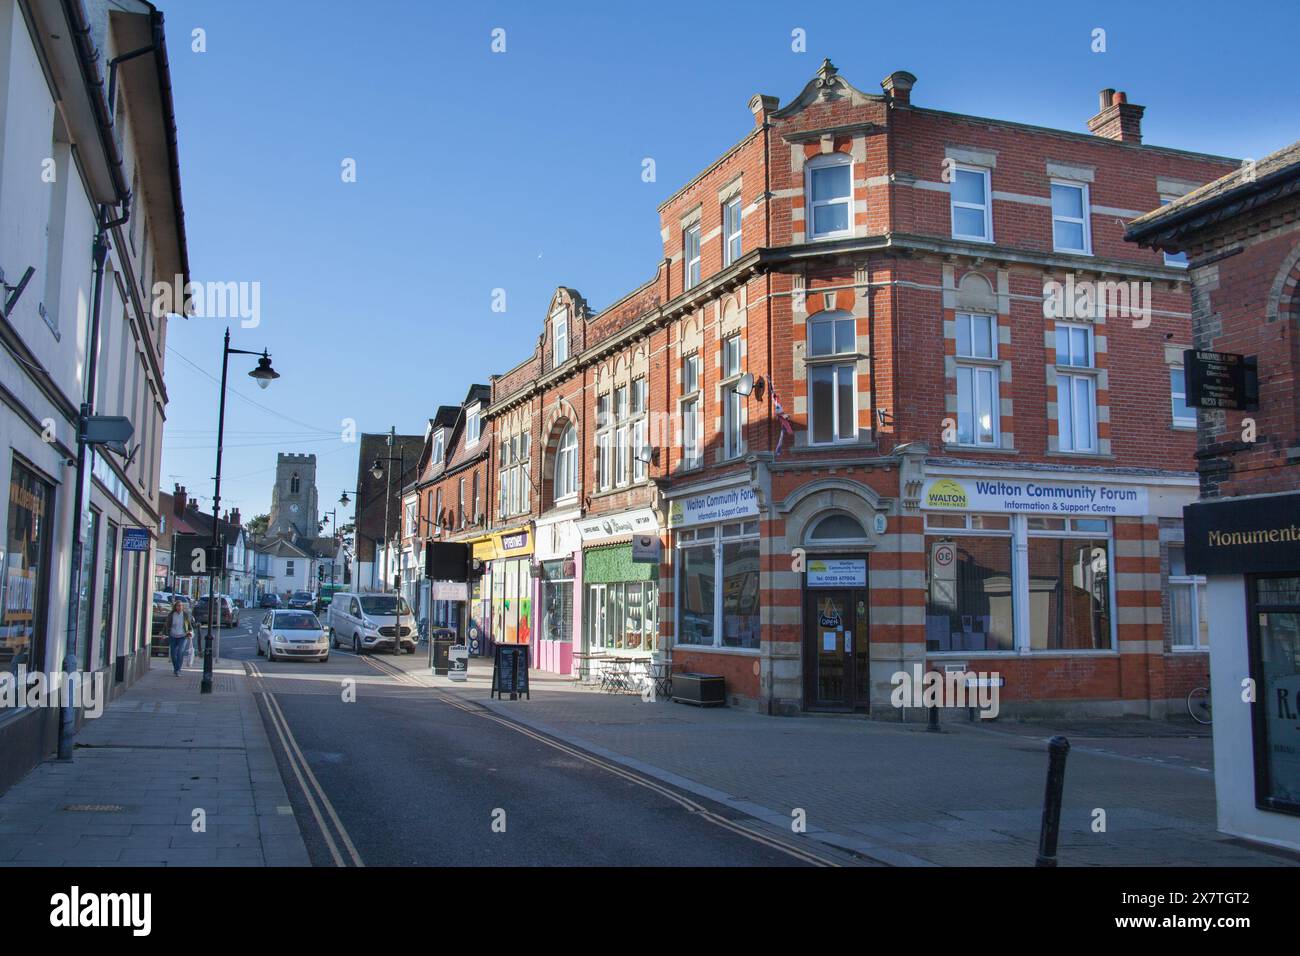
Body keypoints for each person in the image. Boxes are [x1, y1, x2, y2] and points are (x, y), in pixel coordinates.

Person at [166, 598, 194, 676]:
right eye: (178, 606)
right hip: (173, 635)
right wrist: (164, 632)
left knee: (180, 652)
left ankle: (178, 670)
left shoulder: (185, 615)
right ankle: (176, 668)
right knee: (173, 653)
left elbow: (189, 625)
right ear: (175, 607)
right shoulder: (171, 614)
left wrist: (189, 632)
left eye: (181, 606)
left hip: (182, 636)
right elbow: (167, 624)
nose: (180, 607)